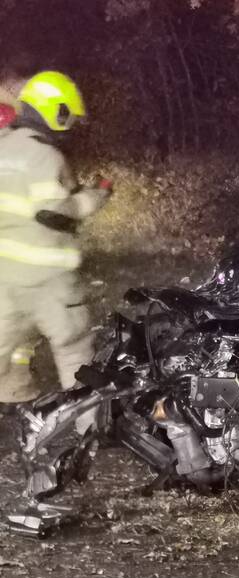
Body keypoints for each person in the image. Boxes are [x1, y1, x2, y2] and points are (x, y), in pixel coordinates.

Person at [0, 71, 111, 409]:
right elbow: (53, 213)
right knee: (75, 351)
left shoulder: (3, 146)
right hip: (49, 279)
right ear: (55, 110)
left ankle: (13, 392)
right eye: (69, 116)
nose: (71, 125)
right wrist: (94, 197)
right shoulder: (44, 155)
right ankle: (88, 428)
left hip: (4, 276)